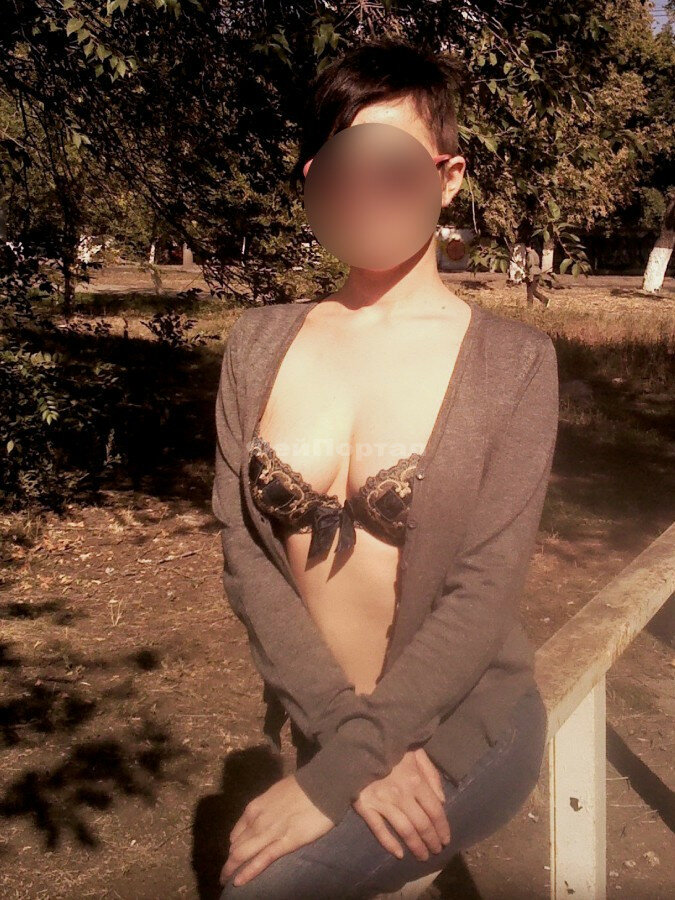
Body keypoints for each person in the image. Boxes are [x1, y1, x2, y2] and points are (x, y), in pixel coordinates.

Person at [213, 36, 557, 899]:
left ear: (448, 176)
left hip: (462, 728)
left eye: (393, 167)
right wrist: (345, 746)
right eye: (344, 168)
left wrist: (351, 767)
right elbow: (247, 557)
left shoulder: (513, 363)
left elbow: (483, 591)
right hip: (329, 725)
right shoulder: (255, 344)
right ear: (314, 181)